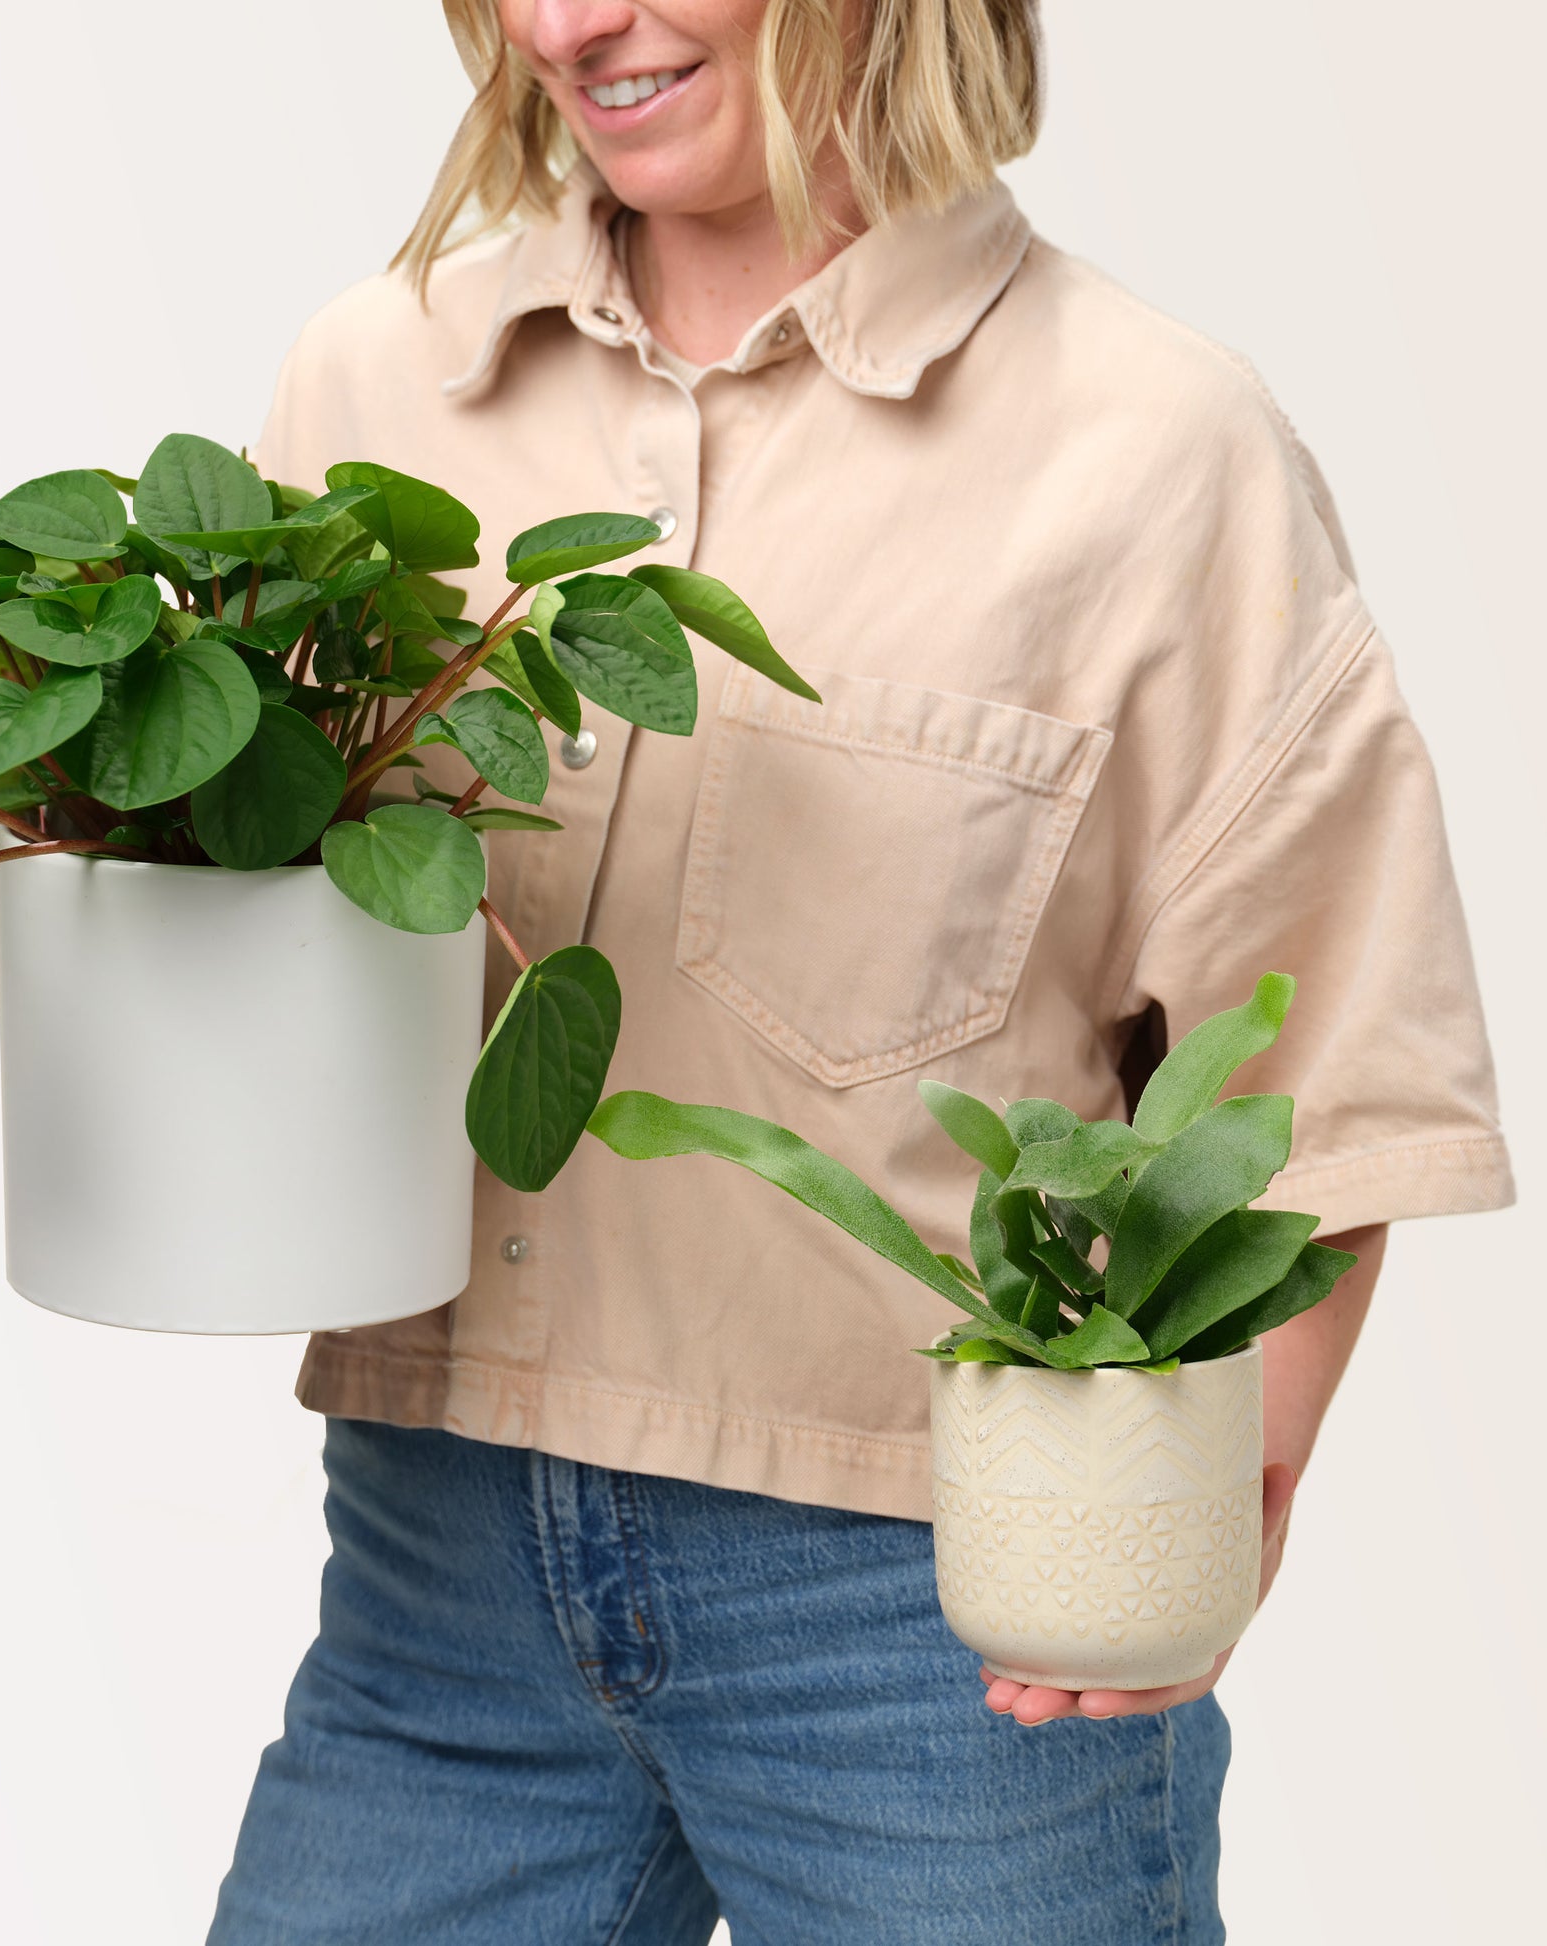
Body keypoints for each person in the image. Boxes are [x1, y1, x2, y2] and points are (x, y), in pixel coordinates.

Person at [208, 4, 1513, 1940]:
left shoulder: (1150, 448)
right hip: (434, 1570)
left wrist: (1210, 1504)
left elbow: (1318, 1067)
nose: (573, 26)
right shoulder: (379, 378)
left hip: (939, 1635)